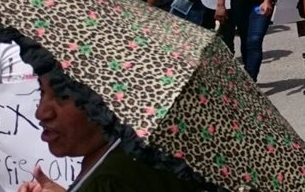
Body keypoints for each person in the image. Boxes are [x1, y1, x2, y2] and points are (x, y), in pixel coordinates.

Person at [21, 73, 201, 192]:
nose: (41, 112)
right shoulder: (123, 158)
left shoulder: (114, 179)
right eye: (42, 91)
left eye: (63, 94)